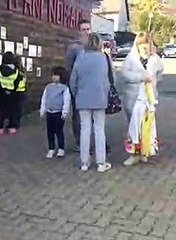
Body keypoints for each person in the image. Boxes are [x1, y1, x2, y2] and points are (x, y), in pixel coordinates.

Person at [69, 33, 113, 173]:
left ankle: (84, 162)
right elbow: (109, 80)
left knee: (85, 130)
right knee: (99, 130)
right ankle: (101, 162)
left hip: (83, 98)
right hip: (100, 98)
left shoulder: (80, 58)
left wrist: (77, 93)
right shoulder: (104, 58)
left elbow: (73, 80)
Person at [121, 32, 164, 166]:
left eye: (147, 44)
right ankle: (134, 154)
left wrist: (152, 83)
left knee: (147, 126)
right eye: (142, 45)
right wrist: (140, 78)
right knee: (133, 127)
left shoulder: (156, 59)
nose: (145, 47)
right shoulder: (131, 58)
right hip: (133, 98)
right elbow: (125, 74)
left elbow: (160, 75)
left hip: (148, 99)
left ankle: (145, 151)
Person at [65, 19, 90, 152]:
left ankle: (89, 141)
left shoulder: (93, 46)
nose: (86, 32)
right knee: (78, 115)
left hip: (90, 87)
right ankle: (79, 142)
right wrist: (72, 86)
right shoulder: (74, 48)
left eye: (88, 29)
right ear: (79, 31)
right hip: (78, 86)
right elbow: (68, 67)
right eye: (84, 29)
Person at [39, 66, 71, 158]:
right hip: (50, 112)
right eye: (53, 75)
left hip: (58, 112)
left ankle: (61, 148)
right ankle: (51, 148)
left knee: (59, 131)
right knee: (50, 131)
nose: (54, 77)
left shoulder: (64, 88)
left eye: (56, 75)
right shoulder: (48, 87)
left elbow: (66, 100)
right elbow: (44, 98)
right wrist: (42, 109)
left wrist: (65, 111)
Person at [0, 51, 22, 135]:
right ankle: (11, 128)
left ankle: (1, 128)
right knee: (12, 110)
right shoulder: (15, 71)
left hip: (1, 93)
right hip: (12, 94)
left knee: (2, 110)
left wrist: (3, 90)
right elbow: (17, 82)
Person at [13, 55, 27, 129]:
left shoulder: (15, 70)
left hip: (16, 91)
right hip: (22, 90)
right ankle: (17, 122)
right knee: (19, 108)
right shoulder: (23, 69)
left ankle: (16, 123)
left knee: (16, 108)